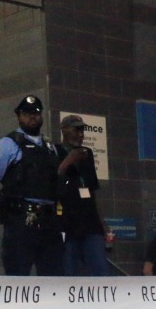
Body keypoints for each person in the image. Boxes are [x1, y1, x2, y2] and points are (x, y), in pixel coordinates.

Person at [0, 95, 65, 276]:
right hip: (22, 222)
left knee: (53, 280)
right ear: (19, 117)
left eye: (36, 113)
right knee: (18, 279)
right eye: (26, 114)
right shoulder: (8, 144)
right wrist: (5, 210)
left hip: (50, 223)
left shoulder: (50, 146)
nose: (32, 117)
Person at [56, 114, 112, 276]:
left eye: (82, 130)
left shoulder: (87, 154)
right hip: (67, 221)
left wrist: (104, 224)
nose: (80, 134)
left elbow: (93, 189)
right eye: (76, 130)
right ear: (64, 130)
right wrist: (69, 161)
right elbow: (53, 181)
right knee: (70, 271)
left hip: (90, 221)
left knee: (101, 270)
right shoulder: (56, 151)